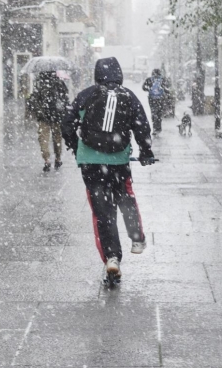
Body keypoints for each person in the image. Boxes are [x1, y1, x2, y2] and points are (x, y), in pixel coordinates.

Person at [62, 57, 155, 283]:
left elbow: (66, 124)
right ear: (119, 74)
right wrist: (145, 151)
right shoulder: (128, 96)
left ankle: (112, 258)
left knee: (102, 212)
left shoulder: (85, 95)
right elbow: (141, 125)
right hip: (118, 160)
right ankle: (136, 238)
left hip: (90, 162)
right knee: (125, 197)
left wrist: (76, 148)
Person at [30, 70, 69, 172]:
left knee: (43, 138)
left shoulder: (40, 85)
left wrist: (40, 112)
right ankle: (58, 158)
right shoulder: (60, 84)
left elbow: (34, 101)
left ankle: (47, 160)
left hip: (44, 117)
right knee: (57, 138)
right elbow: (65, 100)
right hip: (57, 116)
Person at [143, 68, 171, 134]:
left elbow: (143, 87)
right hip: (161, 99)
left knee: (153, 112)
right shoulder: (163, 79)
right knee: (159, 113)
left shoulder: (149, 79)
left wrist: (149, 89)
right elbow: (168, 87)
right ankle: (159, 127)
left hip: (152, 99)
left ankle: (155, 128)